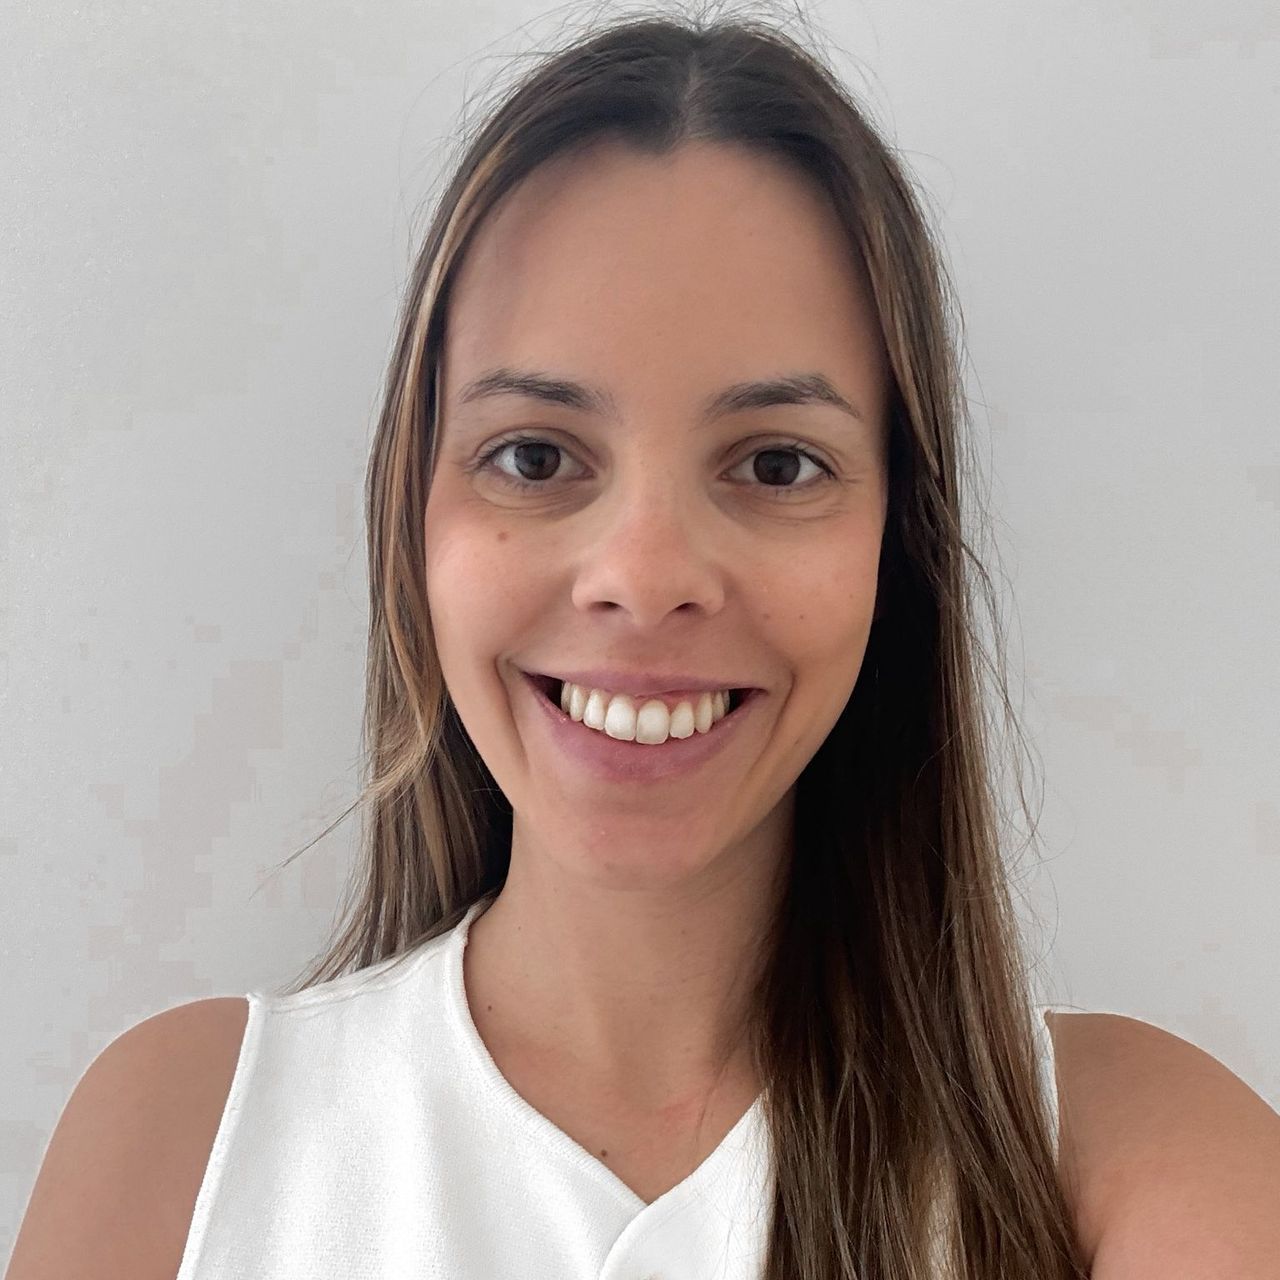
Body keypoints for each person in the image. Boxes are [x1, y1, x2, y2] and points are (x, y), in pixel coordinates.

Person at [8, 13, 1279, 1280]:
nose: (644, 575)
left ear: (895, 541)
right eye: (533, 456)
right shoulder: (182, 1144)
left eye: (776, 465)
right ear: (413, 518)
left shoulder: (1134, 1160)